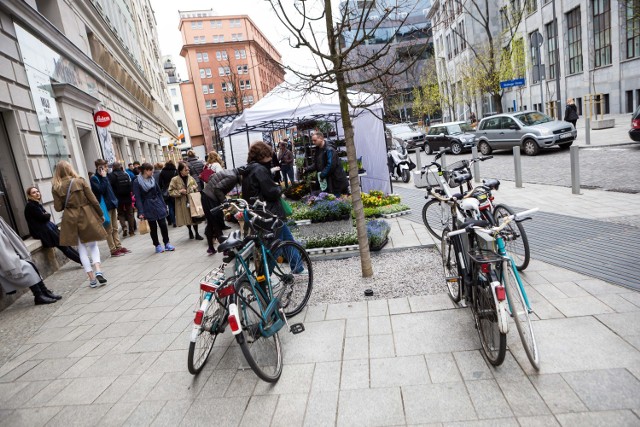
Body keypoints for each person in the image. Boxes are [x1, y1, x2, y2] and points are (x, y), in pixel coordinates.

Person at [51, 160, 108, 288]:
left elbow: (58, 207)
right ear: (70, 169)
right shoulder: (80, 181)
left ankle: (92, 279)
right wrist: (100, 214)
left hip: (70, 218)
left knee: (81, 249)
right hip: (86, 214)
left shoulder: (56, 186)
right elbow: (93, 200)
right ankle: (98, 269)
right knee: (93, 245)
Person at [0, 203, 61, 305]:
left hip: (9, 253)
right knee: (28, 268)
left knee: (30, 266)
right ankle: (39, 295)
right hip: (5, 258)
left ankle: (43, 292)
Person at [24, 186, 81, 265]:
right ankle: (82, 261)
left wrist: (46, 215)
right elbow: (43, 217)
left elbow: (45, 216)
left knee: (66, 245)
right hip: (43, 231)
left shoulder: (36, 204)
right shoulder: (31, 206)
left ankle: (82, 260)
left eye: (37, 191)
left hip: (48, 228)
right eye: (34, 192)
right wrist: (46, 215)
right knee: (64, 247)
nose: (37, 193)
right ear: (29, 195)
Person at [133, 162, 175, 253]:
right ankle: (157, 245)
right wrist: (141, 212)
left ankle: (167, 243)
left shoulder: (152, 179)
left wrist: (163, 205)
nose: (153, 172)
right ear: (145, 171)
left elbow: (159, 193)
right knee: (153, 227)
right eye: (151, 170)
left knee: (163, 225)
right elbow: (138, 198)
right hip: (147, 205)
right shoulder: (137, 182)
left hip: (158, 203)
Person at [90, 159, 129, 257]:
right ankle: (113, 249)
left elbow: (110, 190)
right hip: (105, 207)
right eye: (105, 166)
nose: (107, 168)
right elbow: (100, 190)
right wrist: (103, 178)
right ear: (100, 167)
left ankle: (118, 246)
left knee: (115, 228)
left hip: (112, 204)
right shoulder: (94, 179)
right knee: (109, 229)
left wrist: (115, 200)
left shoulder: (106, 176)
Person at [202, 167, 240, 254]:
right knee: (216, 223)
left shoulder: (229, 171)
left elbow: (212, 177)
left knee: (211, 223)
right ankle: (225, 249)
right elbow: (218, 189)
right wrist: (224, 201)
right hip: (210, 198)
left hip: (207, 195)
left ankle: (211, 248)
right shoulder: (233, 177)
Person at [305, 131, 349, 196]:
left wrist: (322, 175)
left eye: (315, 140)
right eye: (312, 141)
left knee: (339, 199)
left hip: (336, 181)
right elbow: (317, 164)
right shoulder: (318, 150)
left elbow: (331, 165)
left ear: (321, 138)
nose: (313, 142)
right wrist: (307, 169)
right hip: (328, 181)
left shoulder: (329, 149)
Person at [169, 161, 203, 240]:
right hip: (182, 201)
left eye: (188, 170)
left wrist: (195, 187)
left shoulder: (190, 178)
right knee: (186, 217)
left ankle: (197, 233)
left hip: (191, 200)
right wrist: (179, 192)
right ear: (180, 171)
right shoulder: (175, 179)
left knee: (194, 216)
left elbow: (196, 186)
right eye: (186, 170)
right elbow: (170, 191)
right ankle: (190, 230)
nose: (188, 171)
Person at [108, 162, 136, 238]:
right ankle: (132, 231)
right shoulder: (125, 174)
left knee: (120, 213)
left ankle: (124, 227)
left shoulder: (111, 176)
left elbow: (109, 187)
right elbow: (130, 186)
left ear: (113, 168)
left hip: (117, 197)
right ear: (120, 167)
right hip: (127, 197)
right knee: (130, 213)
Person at [159, 160, 178, 227]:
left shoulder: (163, 172)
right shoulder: (175, 171)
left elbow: (160, 183)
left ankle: (173, 221)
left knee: (170, 207)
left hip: (167, 191)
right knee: (176, 205)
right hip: (175, 190)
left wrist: (163, 188)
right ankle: (178, 220)